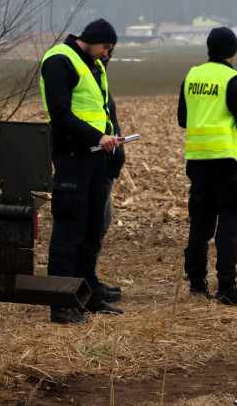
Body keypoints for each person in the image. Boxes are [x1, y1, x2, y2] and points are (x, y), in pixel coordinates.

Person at [39, 18, 123, 323]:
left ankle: (90, 298)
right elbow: (60, 114)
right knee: (69, 231)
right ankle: (61, 304)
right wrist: (96, 137)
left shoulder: (93, 64)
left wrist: (112, 143)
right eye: (106, 47)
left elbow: (102, 110)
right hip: (72, 157)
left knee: (90, 230)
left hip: (96, 157)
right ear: (93, 39)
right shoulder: (60, 61)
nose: (106, 54)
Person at [177, 27, 237, 306]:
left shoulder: (193, 75)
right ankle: (226, 288)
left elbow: (182, 118)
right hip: (227, 161)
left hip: (198, 162)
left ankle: (197, 285)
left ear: (209, 49)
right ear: (233, 51)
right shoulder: (234, 78)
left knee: (200, 223)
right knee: (228, 221)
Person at [97, 49, 125, 303]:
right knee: (97, 224)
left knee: (102, 223)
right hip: (99, 166)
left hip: (107, 168)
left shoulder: (100, 81)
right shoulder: (93, 81)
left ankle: (90, 280)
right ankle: (86, 283)